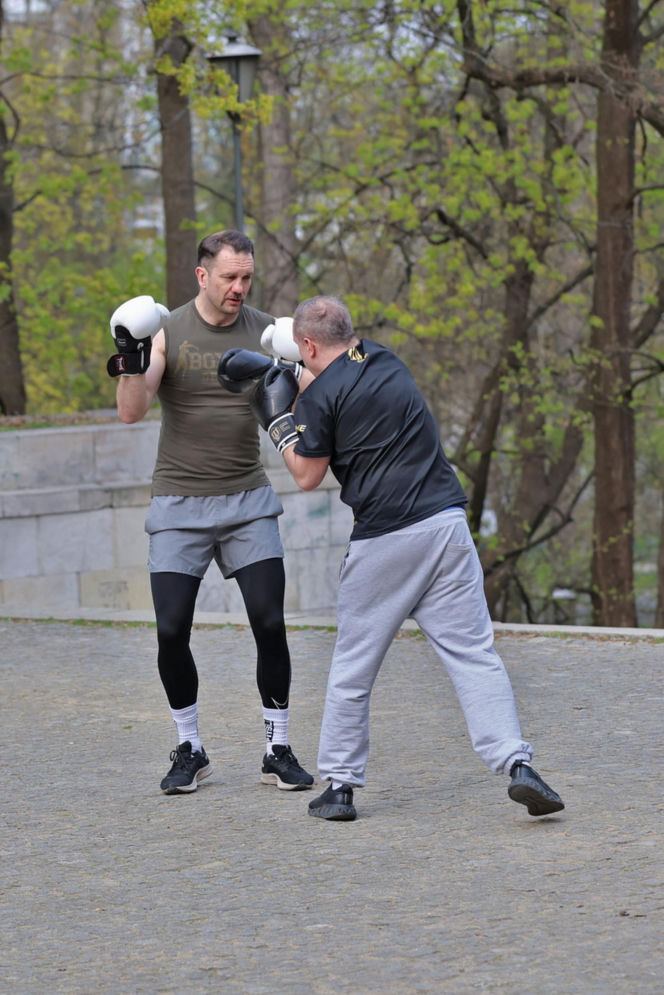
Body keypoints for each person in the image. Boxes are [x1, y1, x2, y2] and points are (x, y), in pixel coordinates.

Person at [245, 295, 565, 821]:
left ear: (307, 347)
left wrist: (277, 421)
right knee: (474, 655)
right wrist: (298, 377)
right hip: (447, 529)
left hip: (387, 540)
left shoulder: (320, 397)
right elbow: (339, 386)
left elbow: (306, 474)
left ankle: (340, 787)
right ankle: (518, 764)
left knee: (353, 667)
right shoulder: (386, 359)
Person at [107, 229, 313, 795]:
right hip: (179, 501)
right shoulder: (167, 330)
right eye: (229, 277)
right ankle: (190, 747)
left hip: (247, 500)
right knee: (171, 629)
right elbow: (131, 411)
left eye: (246, 277)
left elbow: (308, 397)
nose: (239, 287)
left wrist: (296, 377)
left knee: (269, 622)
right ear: (203, 276)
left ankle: (277, 748)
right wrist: (131, 357)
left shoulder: (268, 333)